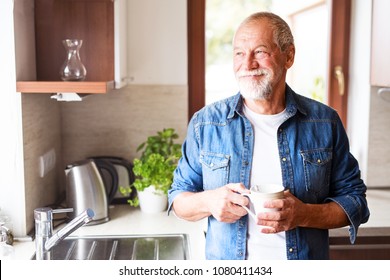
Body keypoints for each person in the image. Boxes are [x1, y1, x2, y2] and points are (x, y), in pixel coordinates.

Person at [168, 12, 370, 260]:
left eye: (260, 52)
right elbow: (179, 200)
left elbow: (355, 202)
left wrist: (304, 214)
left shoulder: (324, 122)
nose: (248, 64)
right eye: (239, 53)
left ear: (289, 56)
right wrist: (208, 202)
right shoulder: (206, 123)